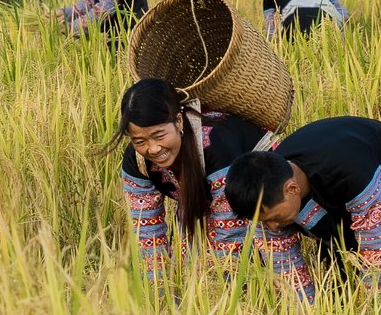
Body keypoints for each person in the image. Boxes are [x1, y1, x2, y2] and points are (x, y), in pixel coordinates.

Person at [226, 116, 381, 300]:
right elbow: (286, 270)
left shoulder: (352, 174)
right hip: (338, 195)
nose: (273, 226)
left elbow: (379, 258)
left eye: (274, 218)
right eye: (264, 222)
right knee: (340, 267)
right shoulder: (264, 197)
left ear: (292, 188)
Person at [114, 78, 306, 290]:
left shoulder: (214, 144)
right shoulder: (137, 161)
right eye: (139, 141)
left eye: (159, 136)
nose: (152, 149)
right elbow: (146, 231)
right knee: (191, 264)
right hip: (203, 199)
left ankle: (302, 313)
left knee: (278, 265)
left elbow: (229, 234)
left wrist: (218, 291)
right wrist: (158, 290)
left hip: (263, 198)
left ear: (178, 121)